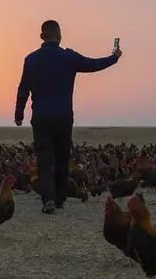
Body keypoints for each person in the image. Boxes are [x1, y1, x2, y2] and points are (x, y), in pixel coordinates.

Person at [14, 20, 122, 214]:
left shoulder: (31, 59)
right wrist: (114, 57)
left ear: (41, 36)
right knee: (62, 158)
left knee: (44, 158)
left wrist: (19, 113)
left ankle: (48, 199)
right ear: (60, 35)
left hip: (41, 117)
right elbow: (93, 64)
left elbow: (23, 89)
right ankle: (60, 198)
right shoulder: (68, 57)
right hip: (63, 117)